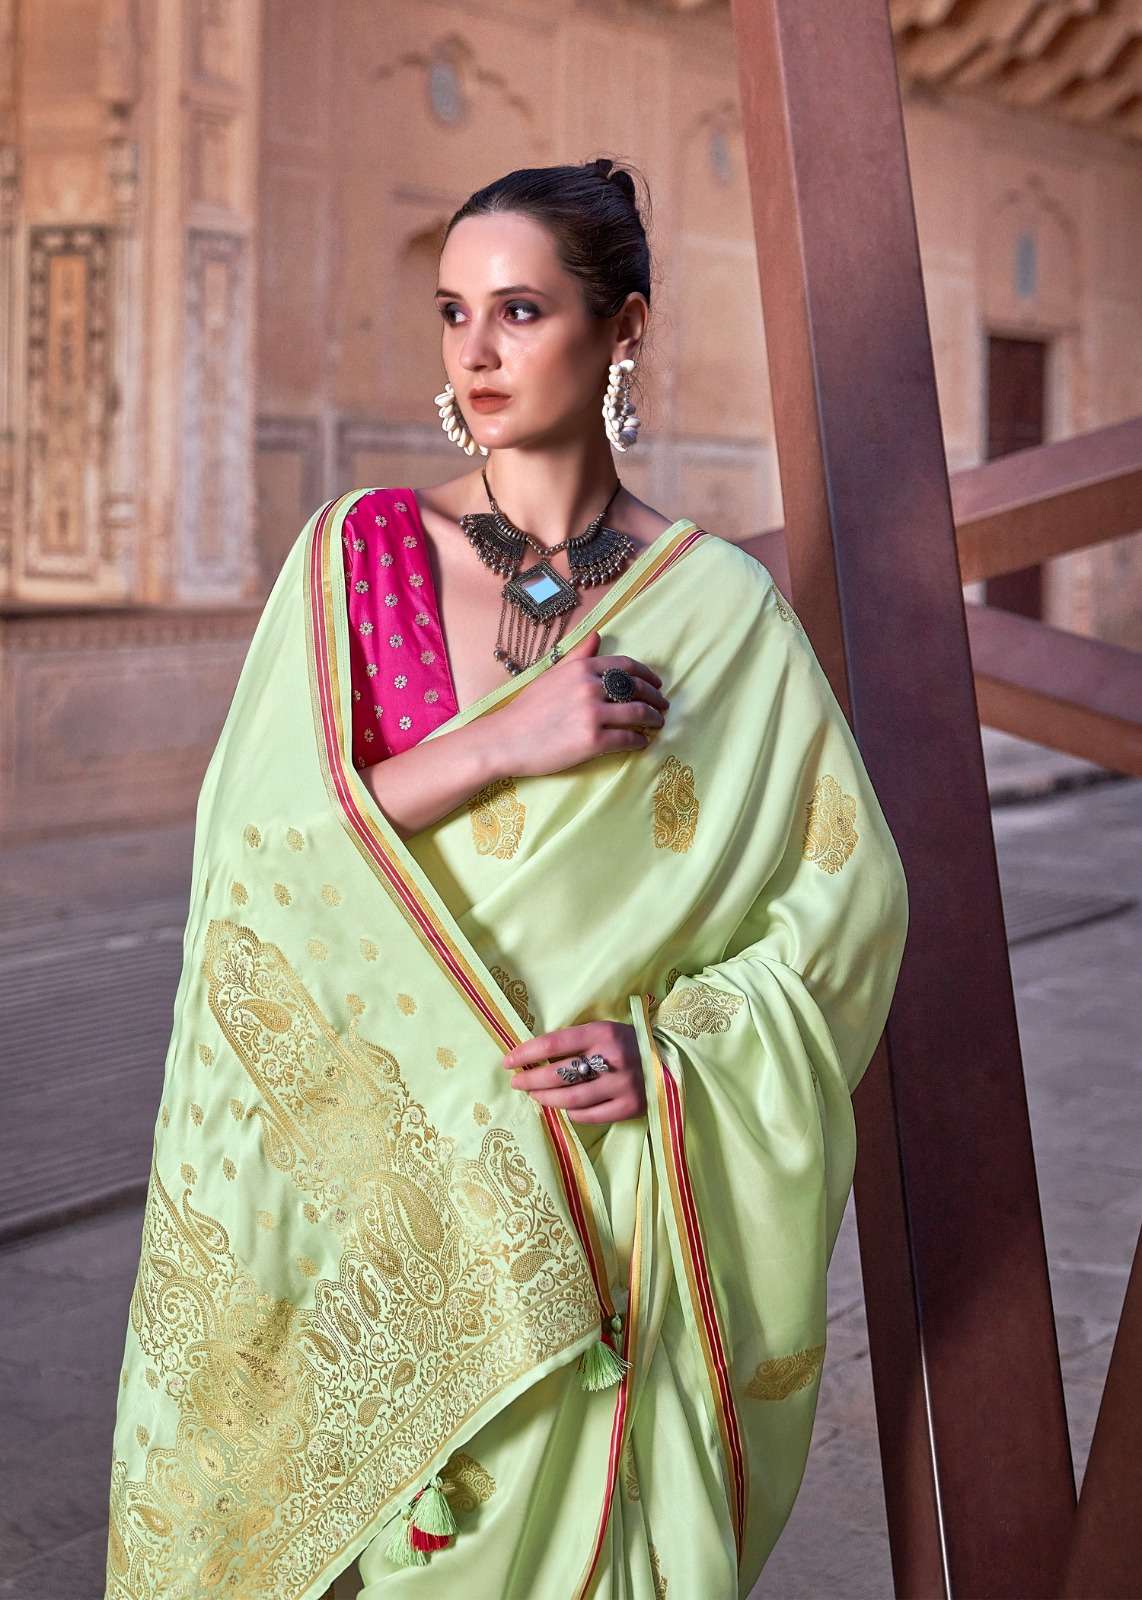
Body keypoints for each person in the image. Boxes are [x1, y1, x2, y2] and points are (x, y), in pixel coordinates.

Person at [103, 158, 909, 1600]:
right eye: (453, 312)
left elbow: (844, 904)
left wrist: (673, 1054)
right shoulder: (362, 559)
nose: (474, 352)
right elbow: (257, 856)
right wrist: (505, 745)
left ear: (623, 328)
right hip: (387, 1200)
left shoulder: (719, 609)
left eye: (520, 310)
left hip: (601, 1192)